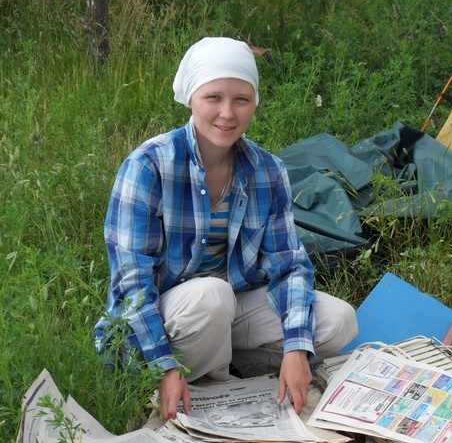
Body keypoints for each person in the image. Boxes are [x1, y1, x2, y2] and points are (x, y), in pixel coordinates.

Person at [93, 37, 358, 421]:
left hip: (228, 312)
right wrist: (166, 366)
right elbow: (131, 285)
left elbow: (289, 265)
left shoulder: (267, 171)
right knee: (212, 296)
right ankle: (190, 389)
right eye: (213, 97)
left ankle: (236, 373)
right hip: (170, 321)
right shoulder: (149, 166)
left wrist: (296, 349)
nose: (227, 113)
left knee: (338, 320)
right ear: (190, 99)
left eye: (241, 100)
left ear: (255, 104)